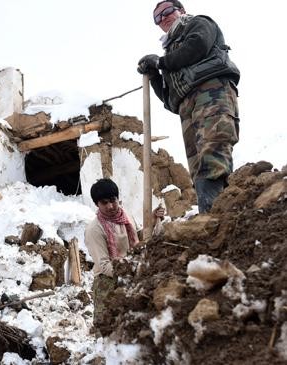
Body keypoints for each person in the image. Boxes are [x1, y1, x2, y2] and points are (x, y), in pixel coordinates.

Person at [137, 0, 240, 213]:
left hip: (210, 92)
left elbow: (198, 46)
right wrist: (155, 75)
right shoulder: (170, 53)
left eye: (167, 11)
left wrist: (160, 62)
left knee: (213, 152)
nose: (163, 18)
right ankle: (213, 215)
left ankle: (217, 219)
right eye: (157, 18)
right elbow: (168, 99)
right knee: (197, 166)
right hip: (186, 107)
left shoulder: (197, 23)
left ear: (181, 11)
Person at [84, 179, 164, 327]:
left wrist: (152, 220)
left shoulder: (125, 217)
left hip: (130, 273)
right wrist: (130, 270)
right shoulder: (94, 229)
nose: (110, 206)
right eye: (104, 202)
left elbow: (136, 240)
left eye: (113, 200)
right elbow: (104, 265)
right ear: (97, 204)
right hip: (108, 282)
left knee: (131, 325)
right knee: (108, 327)